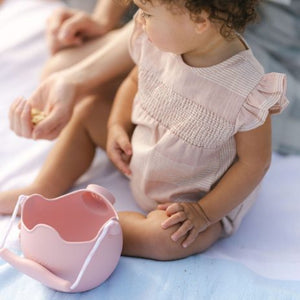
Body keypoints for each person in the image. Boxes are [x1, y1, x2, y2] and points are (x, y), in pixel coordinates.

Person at [2, 0, 288, 260]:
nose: (139, 20)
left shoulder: (247, 90)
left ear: (200, 20)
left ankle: (89, 228)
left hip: (187, 199)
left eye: (149, 13)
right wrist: (116, 124)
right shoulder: (161, 42)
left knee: (167, 240)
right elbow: (134, 82)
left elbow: (255, 163)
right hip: (140, 154)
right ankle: (43, 187)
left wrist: (203, 213)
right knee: (89, 110)